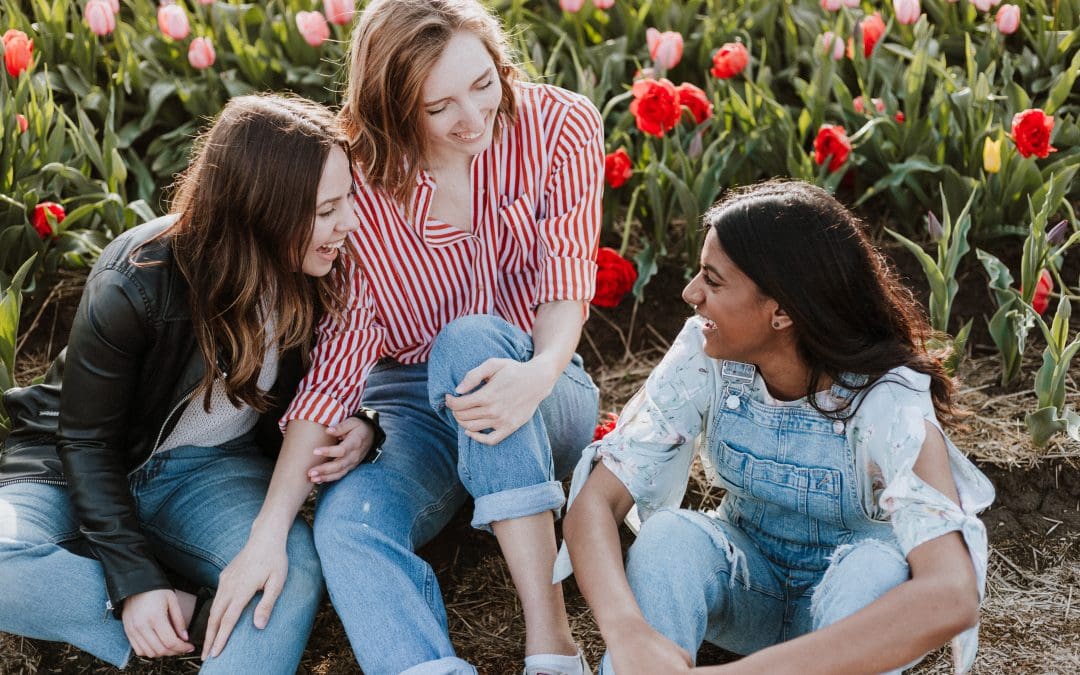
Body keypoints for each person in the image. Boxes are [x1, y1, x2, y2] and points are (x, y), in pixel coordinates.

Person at [0, 94, 383, 672]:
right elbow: (85, 441)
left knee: (286, 572)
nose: (347, 224)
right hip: (67, 464)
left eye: (346, 199)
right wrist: (133, 583)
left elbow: (336, 380)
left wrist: (362, 426)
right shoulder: (136, 280)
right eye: (326, 210)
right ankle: (184, 611)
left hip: (208, 471)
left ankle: (111, 576)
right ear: (263, 210)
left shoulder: (323, 274)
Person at [275, 1, 604, 673]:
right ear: (393, 107)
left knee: (470, 342)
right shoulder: (357, 183)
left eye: (484, 84)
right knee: (348, 521)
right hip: (416, 405)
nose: (474, 117)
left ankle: (551, 641)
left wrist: (536, 374)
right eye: (439, 107)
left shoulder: (562, 125)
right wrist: (272, 525)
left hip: (542, 383)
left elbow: (567, 282)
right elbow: (340, 360)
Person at [560, 180, 995, 674]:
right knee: (667, 538)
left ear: (784, 311)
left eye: (714, 280)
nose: (690, 294)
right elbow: (594, 503)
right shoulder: (706, 356)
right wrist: (630, 634)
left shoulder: (888, 399)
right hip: (750, 586)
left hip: (853, 624)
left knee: (875, 567)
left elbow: (952, 594)